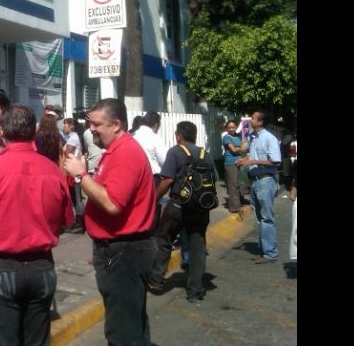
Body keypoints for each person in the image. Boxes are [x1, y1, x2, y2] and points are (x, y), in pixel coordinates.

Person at [0, 105, 74, 346]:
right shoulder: (53, 171)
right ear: (34, 133)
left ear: (1, 133)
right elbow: (66, 221)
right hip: (41, 264)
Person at [62, 99, 156, 346]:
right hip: (118, 251)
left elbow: (113, 204)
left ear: (116, 124)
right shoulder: (114, 150)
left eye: (96, 124)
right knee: (129, 322)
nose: (91, 128)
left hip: (124, 253)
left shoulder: (125, 153)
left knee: (123, 331)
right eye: (89, 123)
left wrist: (81, 176)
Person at [148, 121, 213, 303]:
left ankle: (157, 281)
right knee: (198, 246)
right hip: (200, 208)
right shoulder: (205, 154)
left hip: (178, 206)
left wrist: (152, 198)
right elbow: (212, 180)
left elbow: (167, 180)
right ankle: (195, 290)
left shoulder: (176, 151)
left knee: (164, 239)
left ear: (179, 136)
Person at [236, 110, 282, 263]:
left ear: (260, 122)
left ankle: (270, 253)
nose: (251, 119)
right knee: (258, 218)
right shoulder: (254, 137)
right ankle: (264, 249)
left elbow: (276, 161)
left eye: (254, 118)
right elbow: (252, 155)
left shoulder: (269, 138)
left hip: (265, 180)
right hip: (255, 180)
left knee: (267, 217)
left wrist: (252, 162)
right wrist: (246, 160)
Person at [222, 120, 247, 213]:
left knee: (240, 183)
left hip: (240, 162)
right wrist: (241, 148)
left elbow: (242, 148)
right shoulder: (226, 137)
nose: (232, 129)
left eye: (233, 127)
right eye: (230, 127)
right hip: (230, 163)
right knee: (233, 185)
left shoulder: (237, 137)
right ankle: (234, 207)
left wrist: (241, 149)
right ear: (227, 128)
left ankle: (239, 203)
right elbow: (233, 150)